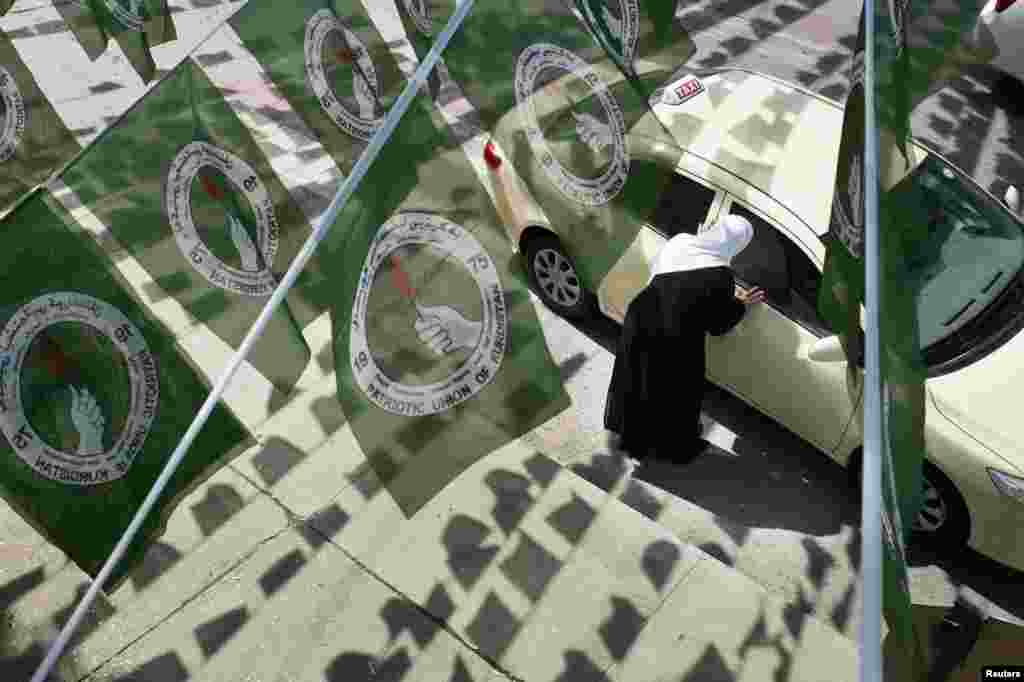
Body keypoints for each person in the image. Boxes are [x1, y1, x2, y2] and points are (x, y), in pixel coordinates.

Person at [604, 214, 766, 461]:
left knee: (638, 380)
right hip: (676, 341)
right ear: (738, 246)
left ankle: (634, 438)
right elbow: (718, 325)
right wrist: (741, 303)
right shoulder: (722, 276)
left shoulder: (680, 241)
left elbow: (661, 275)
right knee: (674, 394)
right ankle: (671, 446)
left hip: (641, 320)